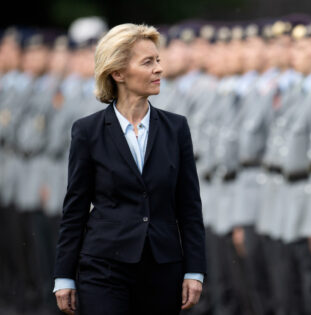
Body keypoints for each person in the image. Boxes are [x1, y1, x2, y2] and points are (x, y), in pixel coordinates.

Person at [52, 23, 206, 315]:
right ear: (118, 72)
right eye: (147, 62)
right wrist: (64, 275)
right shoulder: (88, 131)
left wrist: (195, 270)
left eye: (158, 60)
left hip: (162, 268)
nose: (159, 69)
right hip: (104, 267)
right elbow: (75, 208)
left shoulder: (176, 128)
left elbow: (189, 206)